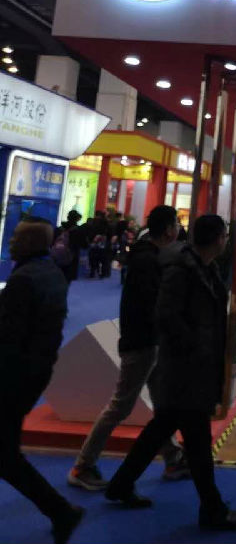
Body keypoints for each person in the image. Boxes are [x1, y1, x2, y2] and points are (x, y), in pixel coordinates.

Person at [106, 215, 236, 530]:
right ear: (217, 239)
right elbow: (167, 315)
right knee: (197, 441)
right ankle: (212, 509)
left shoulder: (203, 269)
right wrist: (194, 347)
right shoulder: (183, 270)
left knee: (161, 429)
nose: (226, 241)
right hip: (185, 369)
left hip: (191, 367)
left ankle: (120, 484)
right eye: (225, 236)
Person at [69, 205, 187, 491]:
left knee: (162, 403)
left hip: (149, 340)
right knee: (120, 406)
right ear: (168, 230)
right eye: (176, 224)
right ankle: (83, 465)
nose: (178, 229)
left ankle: (173, 457)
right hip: (142, 342)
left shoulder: (148, 255)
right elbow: (150, 305)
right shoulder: (149, 261)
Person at [0, 220, 84, 544]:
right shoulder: (51, 273)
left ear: (32, 242)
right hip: (35, 373)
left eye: (18, 237)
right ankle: (60, 511)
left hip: (12, 378)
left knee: (6, 456)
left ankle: (61, 511)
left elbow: (8, 338)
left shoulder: (23, 280)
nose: (11, 241)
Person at [57, 210, 87, 283]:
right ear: (77, 219)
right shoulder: (79, 230)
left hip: (59, 253)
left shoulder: (59, 229)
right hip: (73, 254)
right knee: (69, 276)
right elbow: (84, 244)